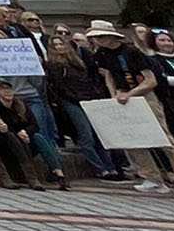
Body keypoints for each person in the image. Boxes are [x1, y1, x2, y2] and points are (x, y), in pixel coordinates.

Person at [86, 20, 174, 198]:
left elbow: (150, 80)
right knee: (133, 138)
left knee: (163, 138)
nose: (98, 41)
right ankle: (151, 177)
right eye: (95, 38)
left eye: (101, 37)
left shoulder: (131, 52)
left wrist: (131, 93)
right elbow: (108, 75)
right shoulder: (102, 54)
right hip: (122, 95)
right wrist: (114, 94)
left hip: (144, 95)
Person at [43, 29, 121, 180]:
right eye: (56, 45)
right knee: (85, 135)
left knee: (99, 135)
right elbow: (60, 87)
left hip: (89, 99)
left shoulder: (78, 62)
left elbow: (89, 79)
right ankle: (100, 169)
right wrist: (76, 98)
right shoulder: (53, 65)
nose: (59, 47)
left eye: (61, 44)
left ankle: (110, 167)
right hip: (72, 102)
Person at [0, 80, 68, 190]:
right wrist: (19, 134)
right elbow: (3, 127)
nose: (7, 92)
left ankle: (58, 173)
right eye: (3, 89)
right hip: (8, 142)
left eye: (9, 89)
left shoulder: (21, 104)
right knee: (20, 140)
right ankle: (31, 176)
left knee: (38, 137)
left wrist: (25, 132)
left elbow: (34, 125)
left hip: (25, 137)